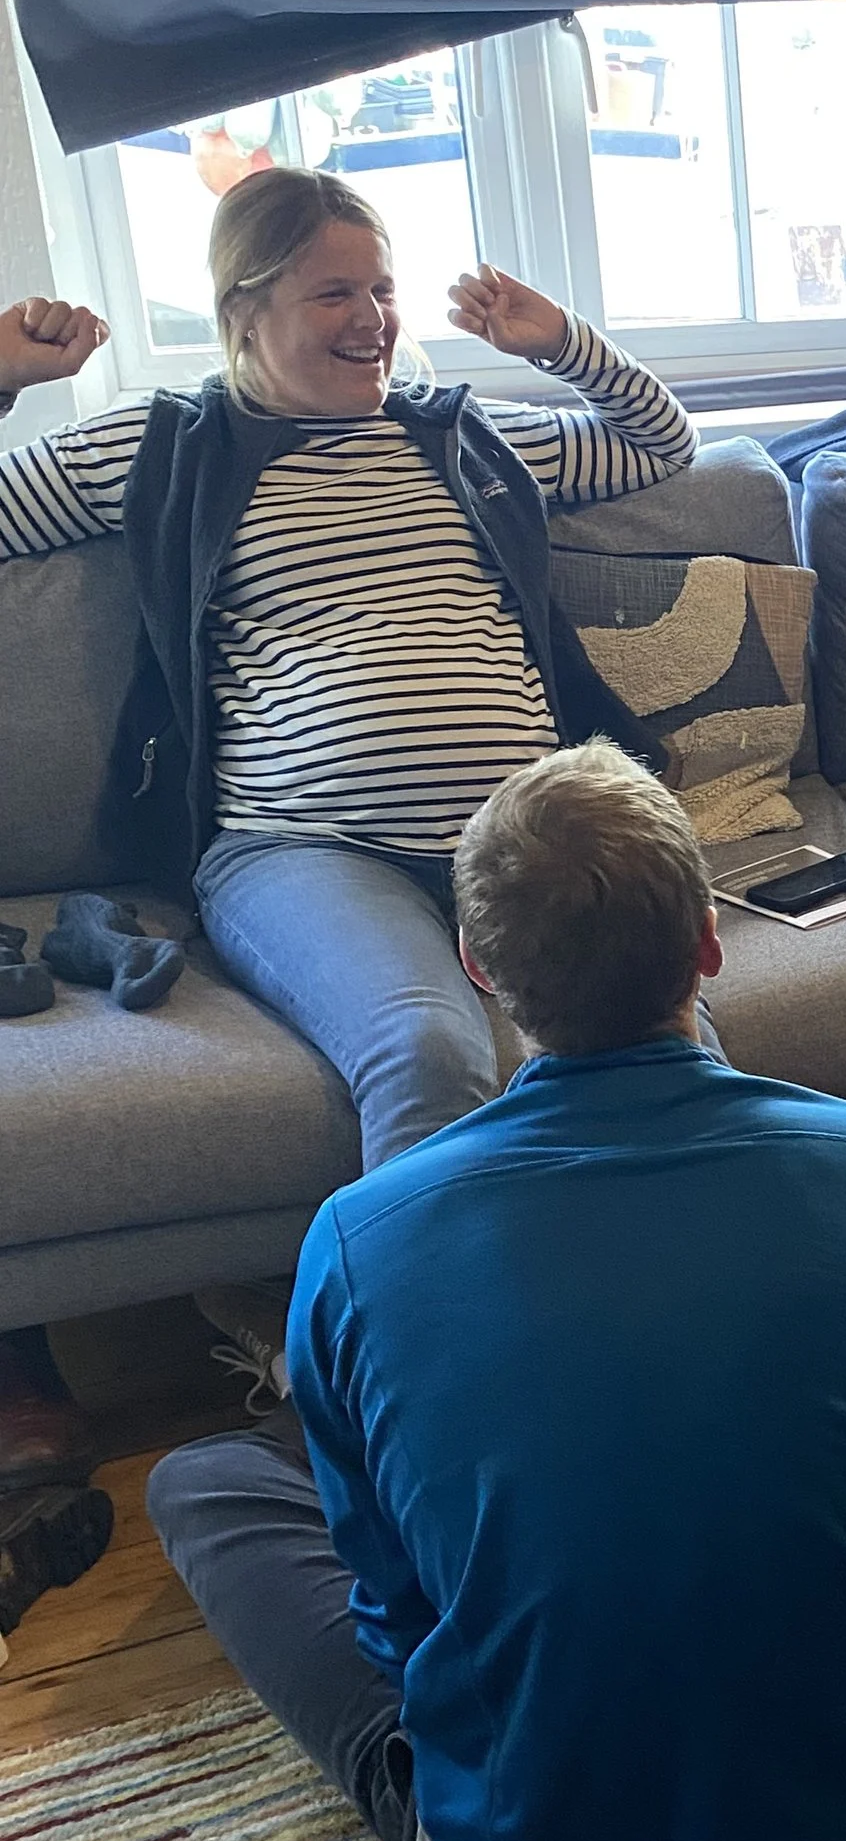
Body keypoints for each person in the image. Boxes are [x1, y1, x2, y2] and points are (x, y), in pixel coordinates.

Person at [143, 744, 846, 1841]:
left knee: (203, 1483)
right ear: (708, 941)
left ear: (479, 970)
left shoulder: (357, 1237)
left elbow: (393, 1606)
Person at [0, 166, 697, 1509]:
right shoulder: (161, 447)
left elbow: (658, 445)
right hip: (303, 846)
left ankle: (671, 1359)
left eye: (381, 288)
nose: (374, 316)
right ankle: (445, 1418)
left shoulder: (465, 432)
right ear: (246, 309)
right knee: (427, 1047)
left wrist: (556, 343)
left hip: (527, 835)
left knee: (669, 1042)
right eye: (337, 291)